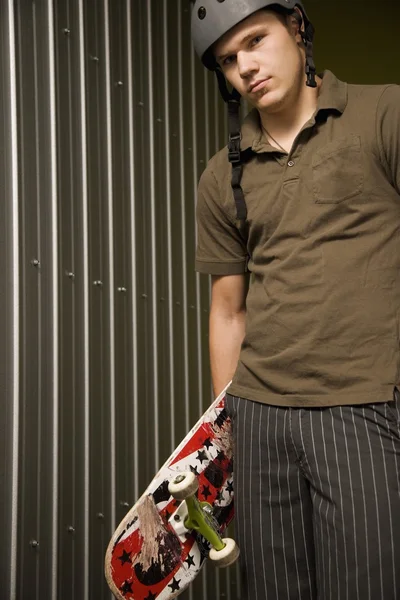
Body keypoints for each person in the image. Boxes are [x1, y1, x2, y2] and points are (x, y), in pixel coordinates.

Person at [190, 0, 400, 598]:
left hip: (363, 403)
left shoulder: (384, 112)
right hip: (257, 414)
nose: (245, 67)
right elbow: (228, 310)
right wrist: (224, 433)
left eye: (256, 41)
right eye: (229, 60)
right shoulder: (219, 176)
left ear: (297, 28)